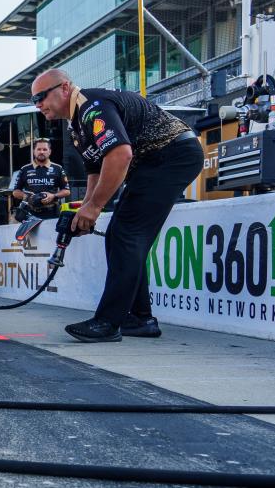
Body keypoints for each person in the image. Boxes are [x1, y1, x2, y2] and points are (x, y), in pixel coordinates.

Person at [31, 69, 202, 342]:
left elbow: (120, 154)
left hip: (172, 155)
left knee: (127, 234)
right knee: (120, 235)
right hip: (152, 162)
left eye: (41, 96)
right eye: (34, 100)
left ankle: (108, 323)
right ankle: (140, 318)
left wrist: (95, 207)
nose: (38, 104)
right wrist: (85, 211)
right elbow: (96, 172)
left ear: (64, 88)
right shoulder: (76, 125)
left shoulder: (92, 107)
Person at [12, 138, 70, 220]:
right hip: (30, 213)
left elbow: (67, 191)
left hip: (52, 212)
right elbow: (15, 192)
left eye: (45, 149)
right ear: (34, 151)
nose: (41, 152)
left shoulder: (58, 168)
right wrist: (27, 196)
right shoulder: (24, 169)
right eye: (39, 149)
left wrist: (53, 196)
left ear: (50, 152)